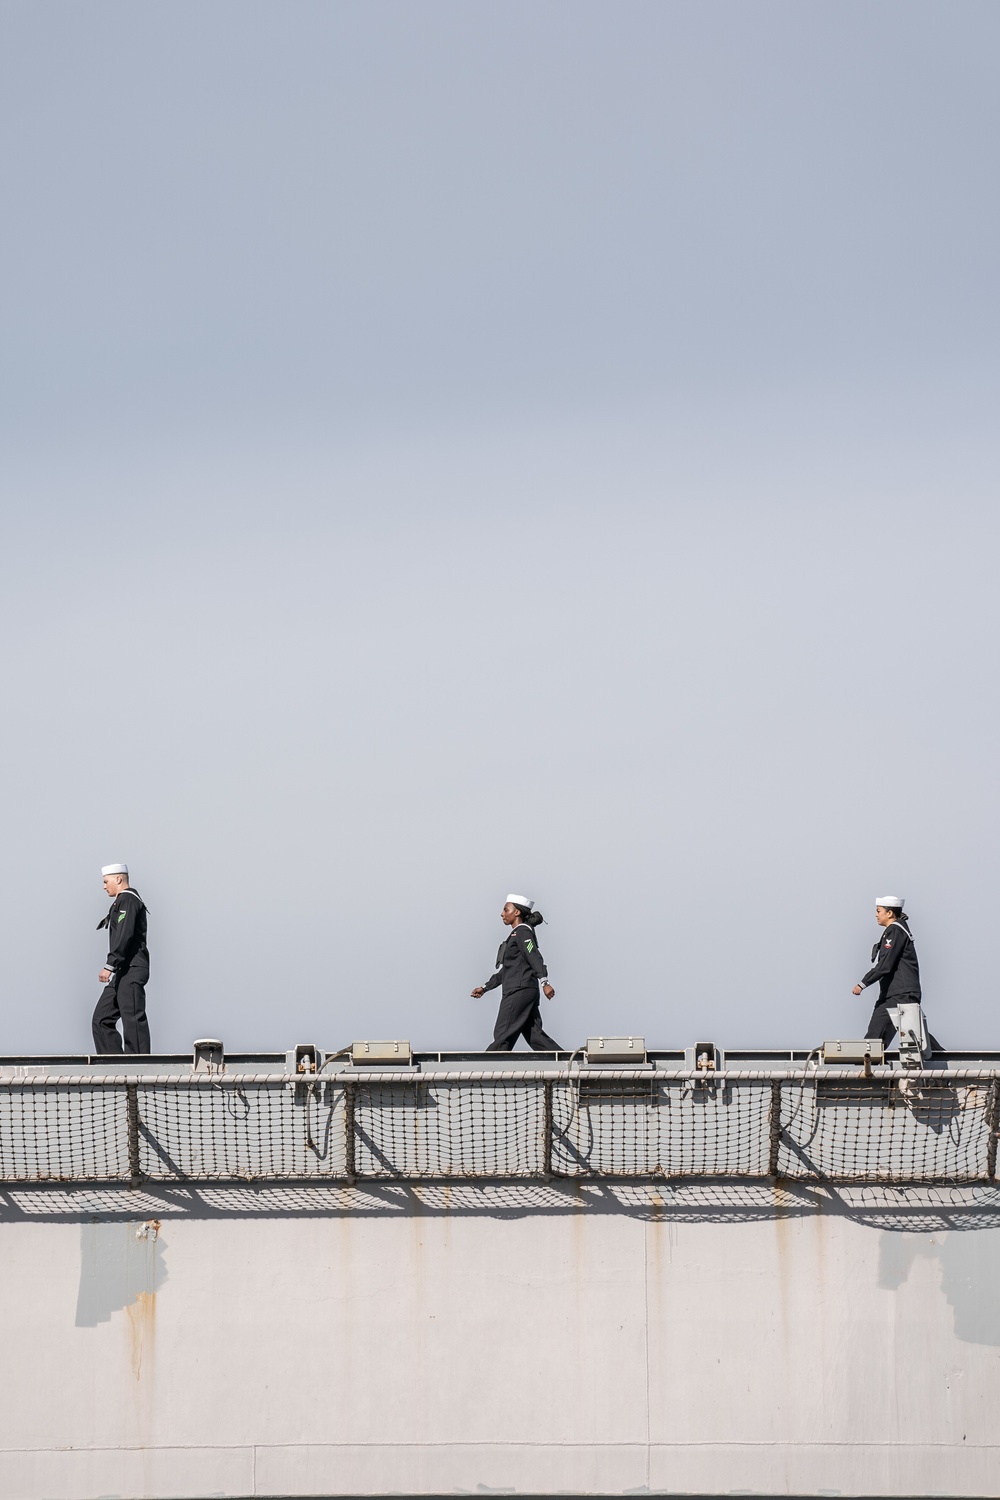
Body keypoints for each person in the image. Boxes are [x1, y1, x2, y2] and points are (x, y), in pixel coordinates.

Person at [471, 894, 562, 1052]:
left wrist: (545, 982)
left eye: (506, 909)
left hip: (519, 990)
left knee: (502, 1033)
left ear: (517, 912)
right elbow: (507, 971)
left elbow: (533, 956)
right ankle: (566, 1063)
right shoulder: (516, 935)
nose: (502, 913)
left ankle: (486, 1070)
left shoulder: (522, 933)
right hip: (523, 990)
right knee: (535, 1035)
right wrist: (485, 987)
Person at [851, 896, 939, 1051]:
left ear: (890, 913)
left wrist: (862, 984)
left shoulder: (895, 931)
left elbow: (885, 965)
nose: (876, 915)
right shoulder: (899, 929)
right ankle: (949, 1062)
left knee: (875, 1041)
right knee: (915, 1036)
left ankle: (949, 1062)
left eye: (878, 911)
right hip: (896, 994)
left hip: (899, 995)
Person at [93, 863, 151, 1055]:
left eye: (105, 881)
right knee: (102, 1018)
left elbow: (124, 934)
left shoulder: (128, 900)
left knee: (132, 1017)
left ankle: (139, 1066)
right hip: (122, 971)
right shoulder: (121, 902)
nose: (103, 886)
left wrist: (109, 964)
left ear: (118, 879)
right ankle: (113, 1063)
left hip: (132, 968)